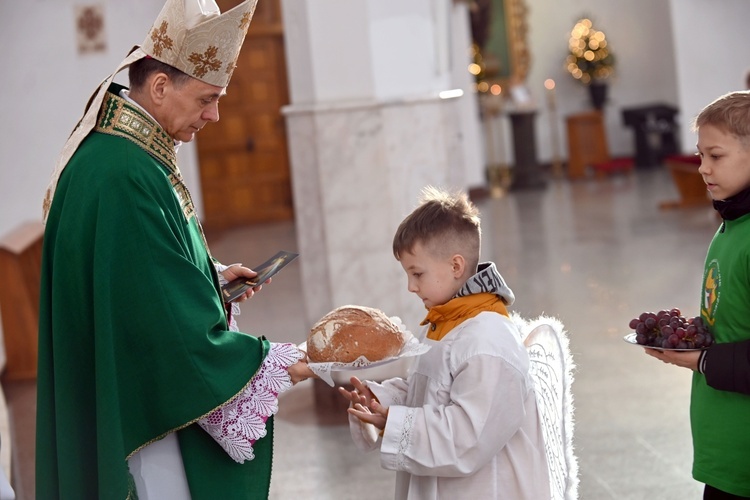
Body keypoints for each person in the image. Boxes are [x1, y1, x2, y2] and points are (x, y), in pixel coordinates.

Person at [36, 0, 314, 498]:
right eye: (207, 98)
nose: (215, 115)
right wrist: (271, 360)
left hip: (131, 382)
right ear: (161, 86)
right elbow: (159, 320)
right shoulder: (124, 172)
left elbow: (142, 276)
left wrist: (209, 278)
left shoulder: (130, 152)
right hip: (143, 410)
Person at [338, 187, 550, 499]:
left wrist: (396, 421)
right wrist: (380, 400)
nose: (411, 286)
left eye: (417, 273)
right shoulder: (448, 322)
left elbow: (468, 438)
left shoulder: (488, 343)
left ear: (455, 266)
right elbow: (432, 396)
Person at [645, 90, 750, 499]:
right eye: (700, 155)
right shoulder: (729, 227)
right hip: (723, 454)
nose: (702, 168)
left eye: (716, 156)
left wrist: (703, 358)